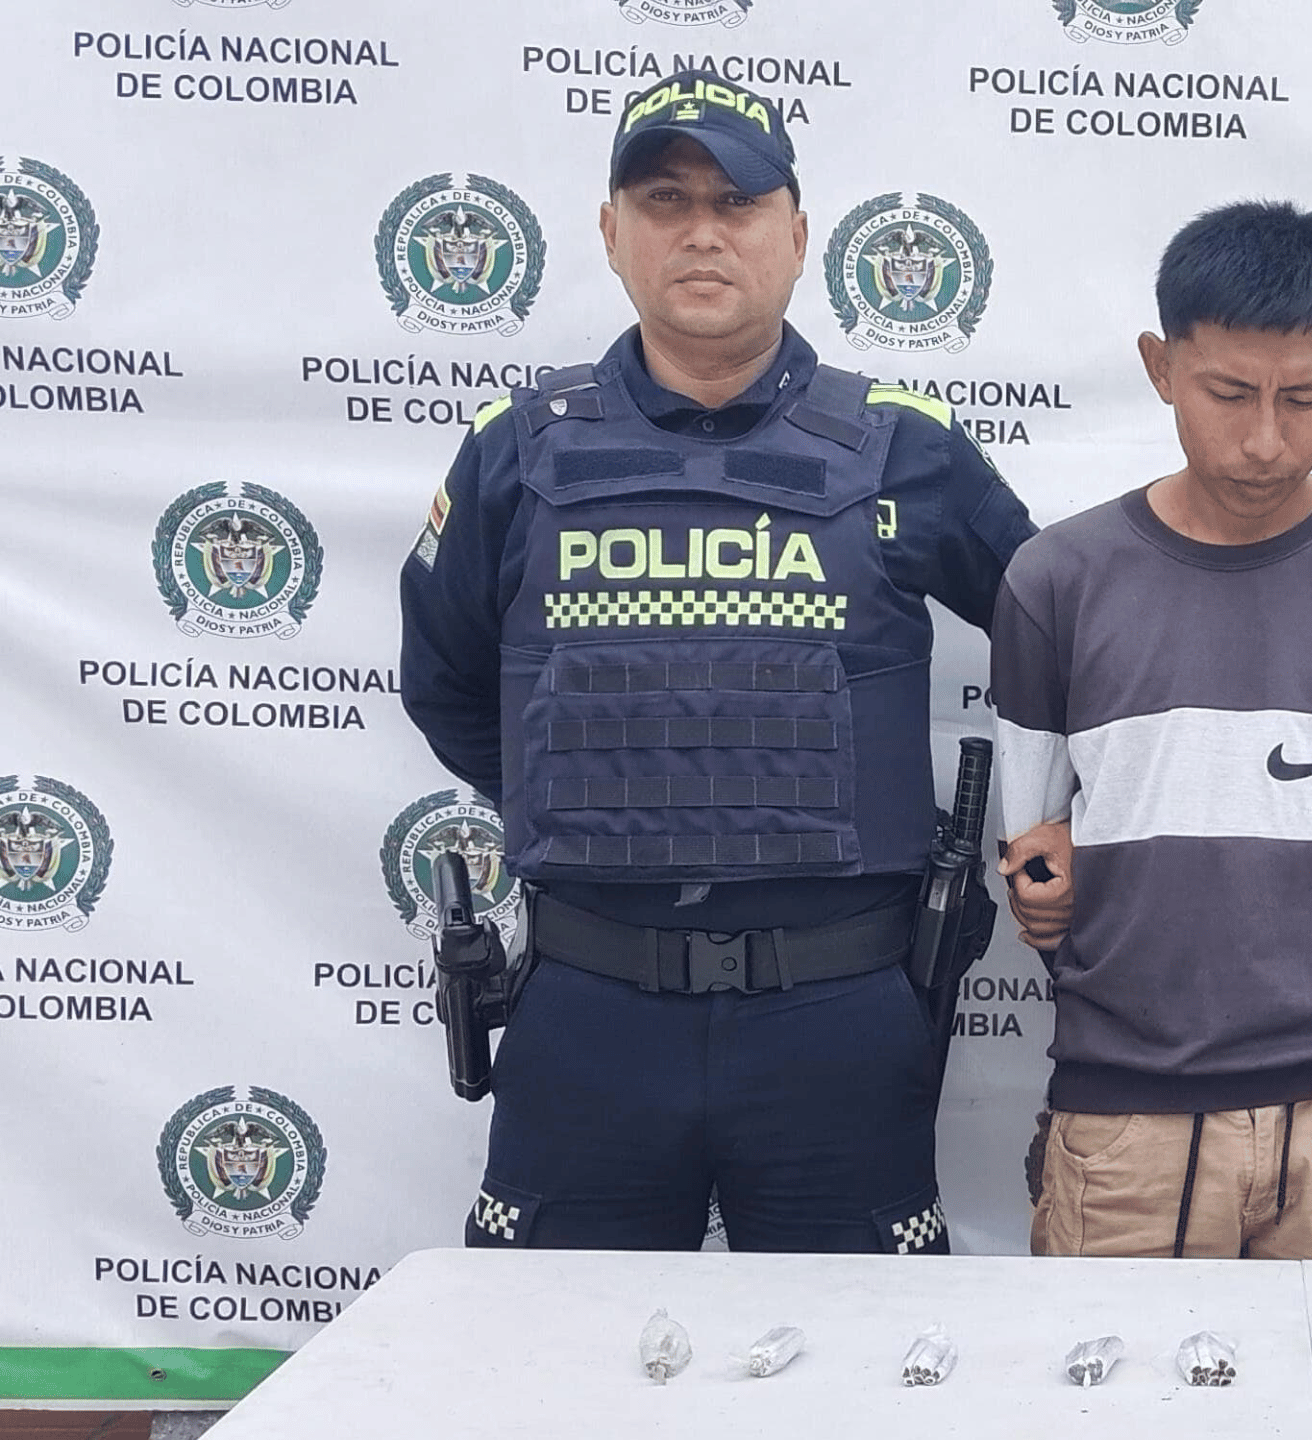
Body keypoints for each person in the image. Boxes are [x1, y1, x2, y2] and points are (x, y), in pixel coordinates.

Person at [398, 71, 1036, 1253]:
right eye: (665, 199)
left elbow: (1061, 647)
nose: (703, 231)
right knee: (550, 1348)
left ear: (797, 235)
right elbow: (444, 683)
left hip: (836, 1018)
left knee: (860, 1352)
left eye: (737, 202)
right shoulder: (516, 453)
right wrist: (595, 784)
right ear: (610, 232)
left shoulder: (906, 448)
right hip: (589, 1011)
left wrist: (1054, 825)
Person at [989, 201, 1312, 1261]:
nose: (1265, 438)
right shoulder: (1055, 581)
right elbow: (1035, 861)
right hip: (1125, 1118)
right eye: (1228, 393)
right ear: (1160, 366)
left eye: (1303, 398)